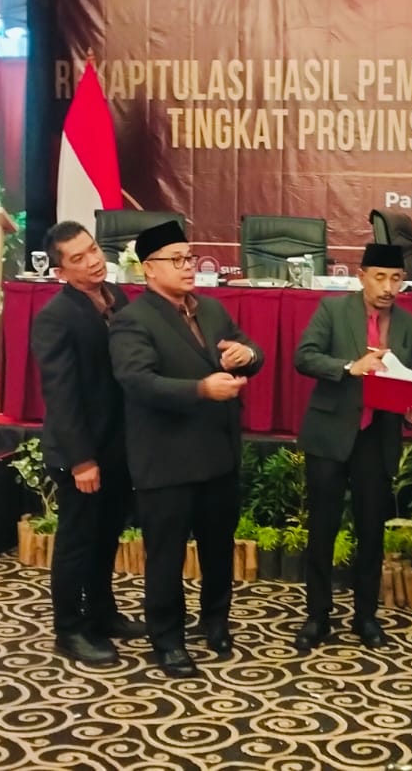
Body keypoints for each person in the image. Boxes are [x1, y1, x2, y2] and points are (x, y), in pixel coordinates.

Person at [110, 221, 264, 679]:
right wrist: (201, 389)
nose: (187, 266)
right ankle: (168, 640)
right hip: (167, 460)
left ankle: (216, 622)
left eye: (189, 257)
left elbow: (249, 348)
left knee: (218, 550)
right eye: (175, 260)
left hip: (218, 455)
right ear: (149, 268)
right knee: (166, 557)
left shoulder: (212, 309)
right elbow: (138, 381)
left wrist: (247, 356)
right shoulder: (133, 320)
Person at [292, 242, 412, 652]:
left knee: (371, 532)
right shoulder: (333, 310)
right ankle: (317, 616)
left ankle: (366, 617)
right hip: (331, 433)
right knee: (323, 529)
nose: (388, 287)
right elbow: (305, 357)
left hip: (377, 437)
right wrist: (350, 367)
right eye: (380, 277)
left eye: (396, 279)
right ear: (361, 275)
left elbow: (411, 385)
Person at [30, 220, 140, 667]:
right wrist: (81, 460)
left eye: (93, 249)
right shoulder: (55, 317)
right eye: (78, 258)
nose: (94, 261)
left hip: (117, 445)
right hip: (81, 454)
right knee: (77, 542)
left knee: (107, 534)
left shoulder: (117, 296)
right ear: (61, 271)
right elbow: (62, 396)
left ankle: (102, 612)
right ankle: (69, 629)